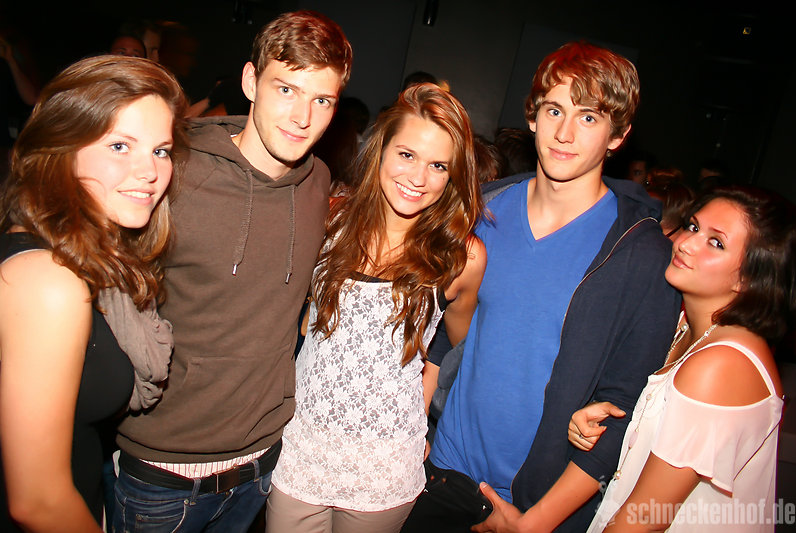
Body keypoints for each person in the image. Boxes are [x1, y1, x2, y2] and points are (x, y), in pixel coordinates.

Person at [401, 41, 682, 533]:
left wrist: (534, 524)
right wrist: (410, 435)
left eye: (589, 117)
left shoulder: (640, 255)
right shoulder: (482, 210)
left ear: (618, 135)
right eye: (555, 110)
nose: (565, 133)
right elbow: (442, 331)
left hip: (535, 505)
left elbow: (622, 405)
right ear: (532, 116)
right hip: (441, 471)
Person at [113, 10, 352, 533]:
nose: (302, 117)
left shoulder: (318, 182)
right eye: (286, 89)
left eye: (322, 100)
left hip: (261, 466)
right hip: (163, 472)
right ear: (250, 82)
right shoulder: (175, 171)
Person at [265, 83, 485, 533]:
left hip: (385, 468)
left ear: (454, 176)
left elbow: (449, 344)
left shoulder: (461, 256)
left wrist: (420, 409)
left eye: (438, 165)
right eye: (406, 155)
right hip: (302, 448)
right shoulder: (331, 219)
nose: (418, 178)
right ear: (381, 148)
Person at [0, 55, 186, 532]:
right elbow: (38, 501)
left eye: (161, 150)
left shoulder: (76, 260)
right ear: (61, 147)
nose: (150, 171)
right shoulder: (47, 281)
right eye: (120, 146)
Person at [570, 186, 796, 532]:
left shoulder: (722, 363)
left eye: (716, 242)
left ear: (750, 278)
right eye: (693, 226)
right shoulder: (687, 327)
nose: (687, 243)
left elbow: (646, 518)